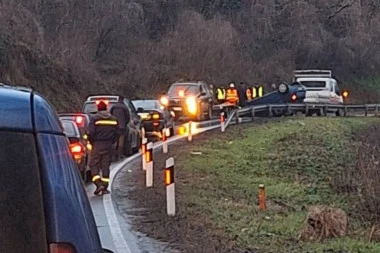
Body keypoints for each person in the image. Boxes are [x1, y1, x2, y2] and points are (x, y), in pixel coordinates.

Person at [88, 100, 120, 195]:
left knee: (94, 165)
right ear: (106, 108)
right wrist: (112, 141)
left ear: (98, 108)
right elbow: (117, 133)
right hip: (109, 145)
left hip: (97, 144)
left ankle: (98, 184)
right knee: (105, 166)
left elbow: (91, 132)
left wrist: (92, 142)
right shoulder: (113, 119)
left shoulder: (95, 119)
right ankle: (105, 187)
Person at [110, 96, 131, 160]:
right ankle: (119, 155)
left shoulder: (114, 107)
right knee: (121, 140)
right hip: (122, 126)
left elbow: (111, 114)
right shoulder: (124, 107)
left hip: (114, 126)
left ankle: (113, 155)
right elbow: (128, 117)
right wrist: (125, 123)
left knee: (114, 141)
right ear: (123, 99)